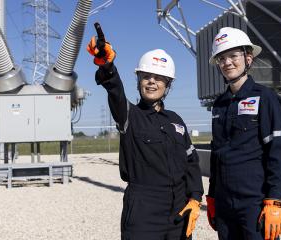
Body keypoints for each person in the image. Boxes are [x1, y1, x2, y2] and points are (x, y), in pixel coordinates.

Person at [86, 33, 203, 240]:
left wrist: (195, 197)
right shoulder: (129, 114)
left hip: (179, 211)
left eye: (159, 78)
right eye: (146, 76)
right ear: (138, 80)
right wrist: (107, 66)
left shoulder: (176, 121)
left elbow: (191, 161)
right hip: (143, 210)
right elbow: (115, 90)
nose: (151, 82)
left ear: (167, 85)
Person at [205, 27, 281, 240]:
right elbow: (217, 155)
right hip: (225, 205)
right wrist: (213, 196)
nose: (227, 63)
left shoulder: (266, 98)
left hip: (254, 204)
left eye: (233, 56)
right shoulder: (220, 105)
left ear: (248, 58)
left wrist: (275, 200)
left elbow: (278, 152)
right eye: (221, 58)